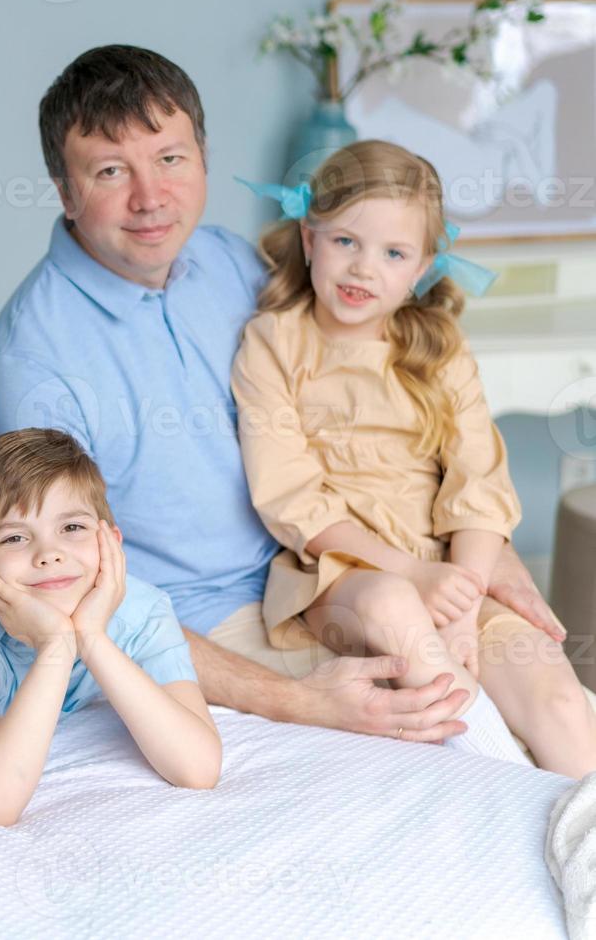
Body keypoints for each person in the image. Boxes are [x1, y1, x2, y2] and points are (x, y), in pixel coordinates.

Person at [0, 44, 566, 744]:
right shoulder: (32, 362)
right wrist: (297, 701)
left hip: (334, 569)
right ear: (64, 189)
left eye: (170, 159)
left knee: (550, 696)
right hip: (205, 625)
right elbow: (71, 595)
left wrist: (480, 553)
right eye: (110, 171)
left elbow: (381, 398)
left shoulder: (237, 264)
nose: (149, 198)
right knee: (455, 723)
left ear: (201, 155)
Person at [232, 140, 596, 776]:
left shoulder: (438, 348)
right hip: (343, 573)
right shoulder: (274, 343)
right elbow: (291, 497)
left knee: (560, 700)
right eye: (345, 241)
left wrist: (461, 601)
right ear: (310, 238)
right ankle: (493, 770)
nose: (362, 270)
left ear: (423, 265)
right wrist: (411, 576)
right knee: (392, 608)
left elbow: (478, 484)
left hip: (453, 568)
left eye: (393, 253)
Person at [0, 428, 219, 826]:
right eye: (14, 537)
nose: (48, 554)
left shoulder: (144, 610)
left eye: (72, 528)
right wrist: (56, 647)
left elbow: (198, 769)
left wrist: (93, 638)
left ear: (111, 544)